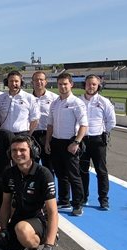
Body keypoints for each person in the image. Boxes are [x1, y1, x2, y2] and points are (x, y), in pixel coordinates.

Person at [0, 136, 58, 250]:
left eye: (22, 150)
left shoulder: (44, 174)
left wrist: (49, 246)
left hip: (38, 220)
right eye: (14, 150)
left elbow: (52, 212)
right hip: (18, 220)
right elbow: (5, 204)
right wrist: (4, 229)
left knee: (22, 229)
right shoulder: (9, 173)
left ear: (31, 151)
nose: (18, 153)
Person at [45, 72, 88, 216]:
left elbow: (84, 125)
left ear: (71, 84)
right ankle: (64, 200)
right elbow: (50, 125)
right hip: (56, 142)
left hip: (70, 142)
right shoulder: (55, 103)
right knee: (60, 174)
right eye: (60, 84)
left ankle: (77, 204)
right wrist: (47, 141)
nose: (62, 87)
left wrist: (76, 142)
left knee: (74, 175)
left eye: (65, 84)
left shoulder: (77, 103)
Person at [79, 75, 116, 210]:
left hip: (98, 140)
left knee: (101, 171)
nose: (91, 87)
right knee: (82, 170)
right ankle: (83, 197)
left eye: (94, 84)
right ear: (85, 85)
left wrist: (103, 133)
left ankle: (103, 199)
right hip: (82, 140)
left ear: (98, 86)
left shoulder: (104, 101)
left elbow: (111, 121)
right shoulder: (78, 101)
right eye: (89, 84)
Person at [0, 71, 39, 136]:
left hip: (23, 134)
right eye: (11, 81)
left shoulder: (29, 98)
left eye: (16, 81)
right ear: (7, 82)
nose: (14, 83)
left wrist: (29, 135)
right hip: (4, 134)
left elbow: (35, 119)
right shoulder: (0, 98)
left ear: (21, 82)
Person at [31, 71, 59, 173]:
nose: (39, 82)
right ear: (32, 82)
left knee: (49, 167)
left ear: (46, 82)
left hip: (48, 135)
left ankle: (49, 188)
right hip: (32, 136)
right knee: (31, 167)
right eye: (36, 80)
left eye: (41, 80)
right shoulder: (27, 98)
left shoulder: (54, 98)